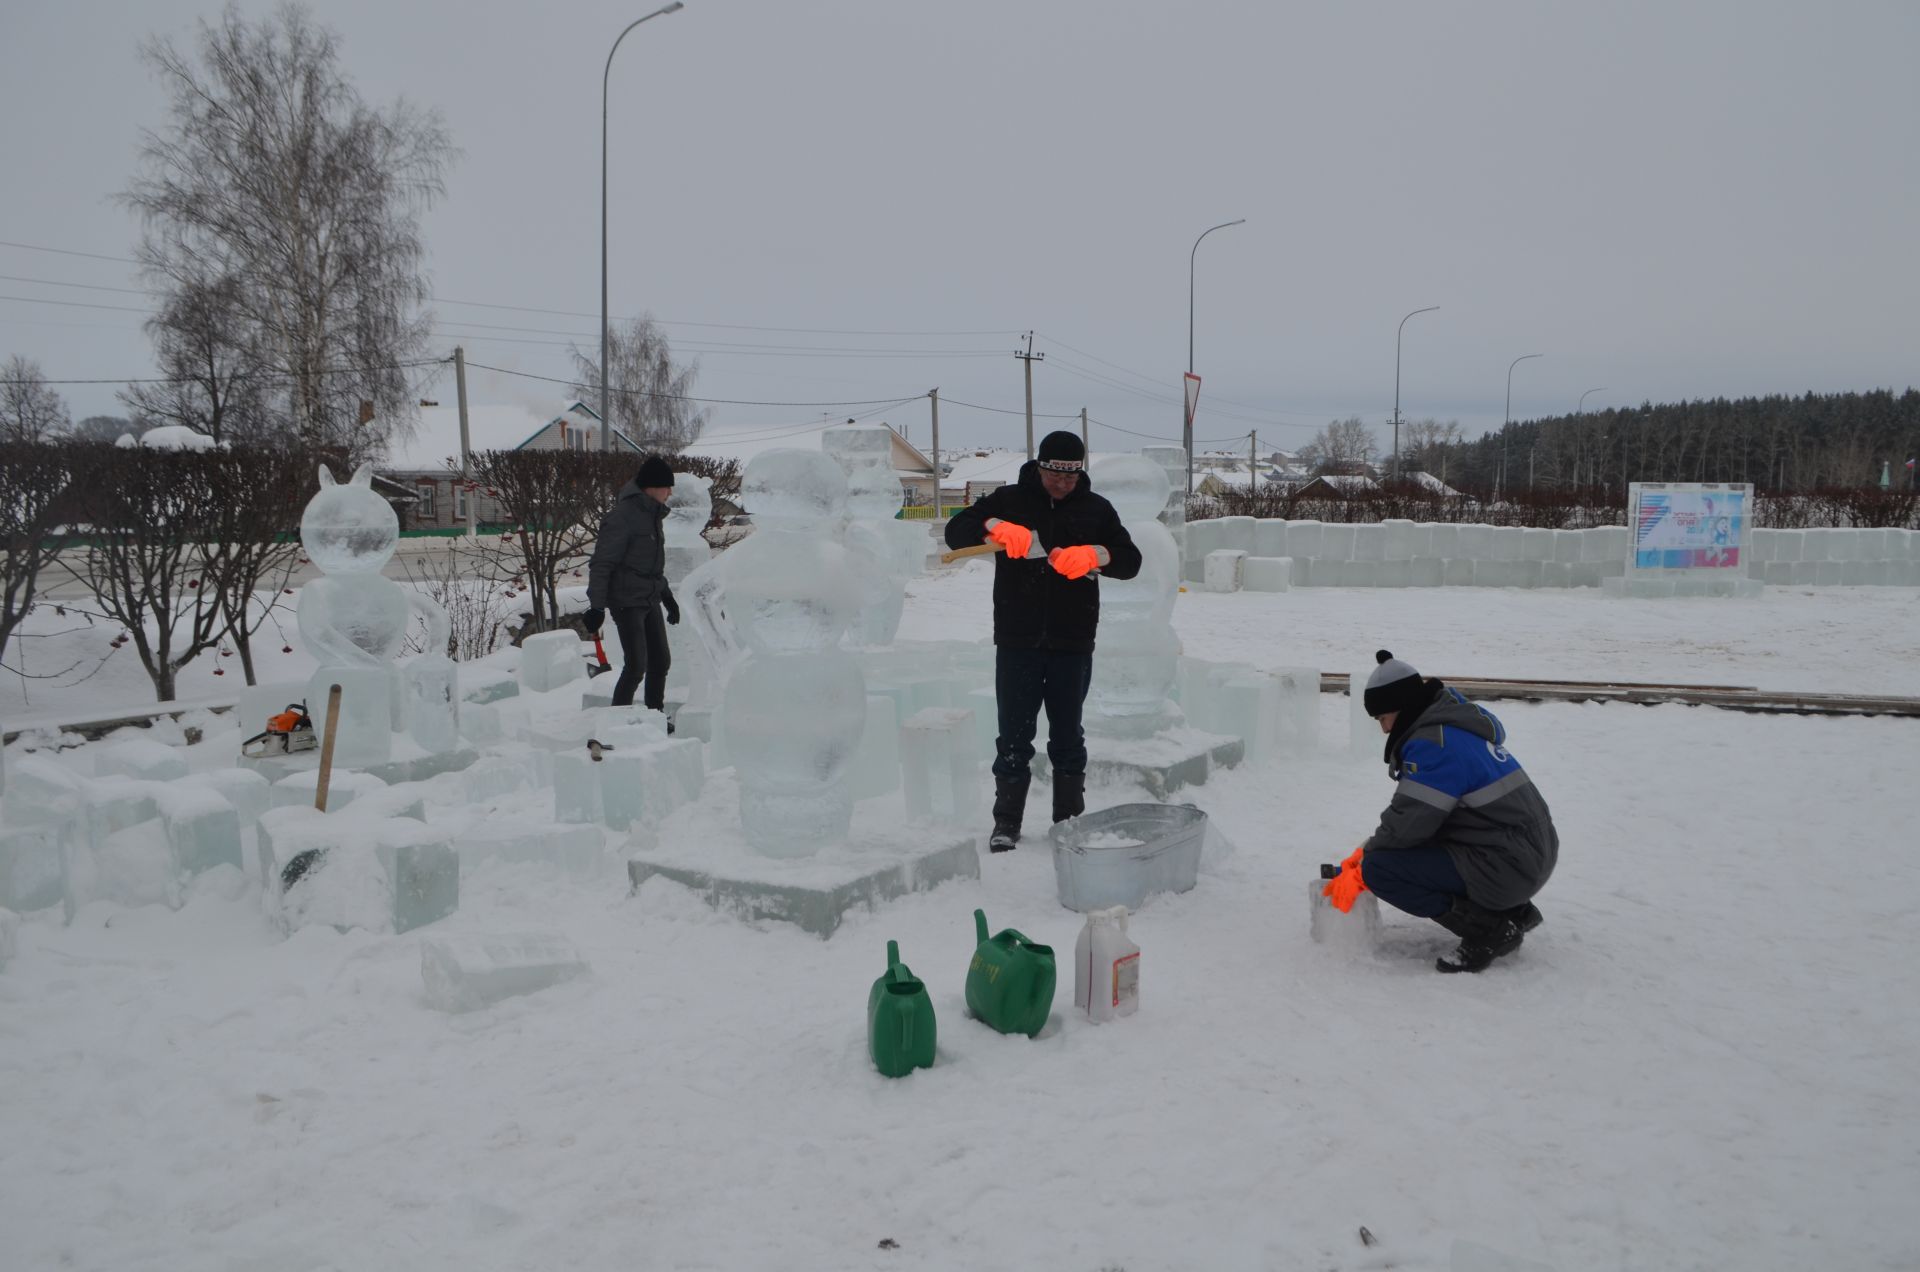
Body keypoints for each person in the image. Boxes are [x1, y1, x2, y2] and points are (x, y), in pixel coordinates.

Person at [943, 431, 1142, 851]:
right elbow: (954, 531)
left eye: (1071, 477)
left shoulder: (1096, 508)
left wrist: (1096, 555)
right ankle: (1006, 823)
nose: (1063, 484)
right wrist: (993, 526)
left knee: (1068, 735)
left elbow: (1131, 560)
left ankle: (1068, 822)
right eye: (1055, 475)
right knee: (1013, 735)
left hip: (1073, 639)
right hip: (1018, 637)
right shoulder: (1009, 499)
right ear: (1041, 466)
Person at [1341, 649, 1558, 973]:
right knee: (1412, 847)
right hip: (1528, 854)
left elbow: (1409, 823)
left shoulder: (1434, 744)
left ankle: (1489, 930)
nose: (1384, 730)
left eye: (1382, 718)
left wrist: (1362, 856)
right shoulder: (1456, 728)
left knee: (1380, 868)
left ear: (1400, 708)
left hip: (1511, 863)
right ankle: (1512, 911)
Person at [584, 455, 681, 718]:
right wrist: (597, 606)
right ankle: (618, 722)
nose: (670, 493)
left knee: (660, 661)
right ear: (652, 486)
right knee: (637, 665)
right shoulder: (622, 517)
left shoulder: (653, 516)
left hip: (649, 598)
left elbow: (650, 567)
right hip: (626, 601)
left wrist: (667, 597)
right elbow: (602, 564)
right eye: (667, 487)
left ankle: (655, 717)